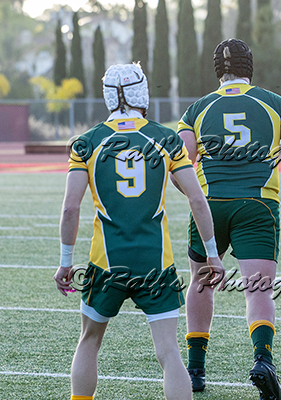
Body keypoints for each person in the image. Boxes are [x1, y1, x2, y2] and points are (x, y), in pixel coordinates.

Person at [53, 63, 224, 400]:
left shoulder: (86, 143)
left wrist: (65, 262)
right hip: (155, 262)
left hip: (106, 262)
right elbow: (197, 199)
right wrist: (212, 255)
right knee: (169, 352)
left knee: (89, 341)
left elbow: (70, 208)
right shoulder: (166, 139)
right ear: (141, 92)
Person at [175, 38, 281, 399]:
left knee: (201, 282)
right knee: (258, 289)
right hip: (258, 205)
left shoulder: (197, 109)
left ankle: (195, 369)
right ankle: (263, 360)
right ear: (250, 67)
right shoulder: (275, 103)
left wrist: (198, 198)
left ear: (217, 70)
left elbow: (179, 165)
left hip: (212, 204)